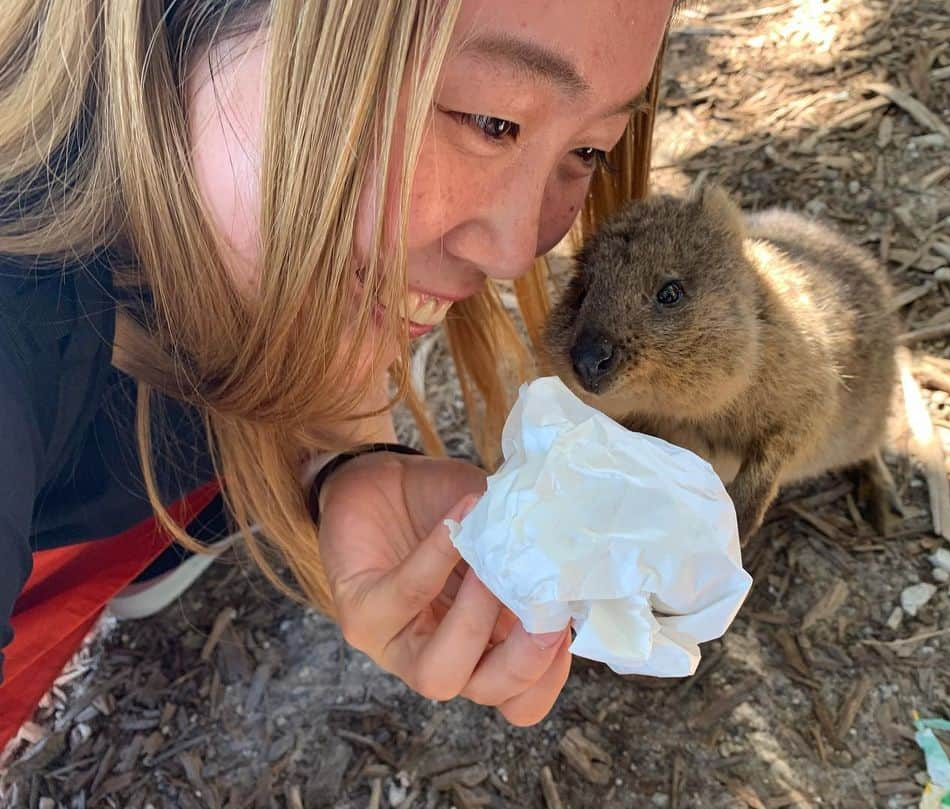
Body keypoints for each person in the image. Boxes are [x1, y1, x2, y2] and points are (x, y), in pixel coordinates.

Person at [0, 0, 673, 743]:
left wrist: (344, 462)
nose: (516, 253)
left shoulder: (258, 234)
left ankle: (163, 546)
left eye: (590, 151)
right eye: (491, 120)